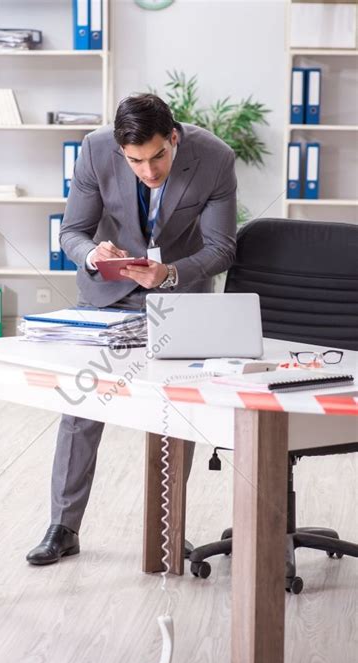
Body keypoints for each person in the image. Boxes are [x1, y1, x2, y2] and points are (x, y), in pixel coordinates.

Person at [26, 93, 237, 565]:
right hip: (107, 294)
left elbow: (223, 248)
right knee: (81, 405)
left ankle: (167, 529)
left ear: (174, 137)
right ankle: (63, 526)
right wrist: (91, 255)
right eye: (136, 160)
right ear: (121, 150)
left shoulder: (215, 158)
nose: (148, 170)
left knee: (173, 408)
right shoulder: (96, 148)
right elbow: (72, 232)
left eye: (158, 155)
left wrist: (171, 273)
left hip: (178, 294)